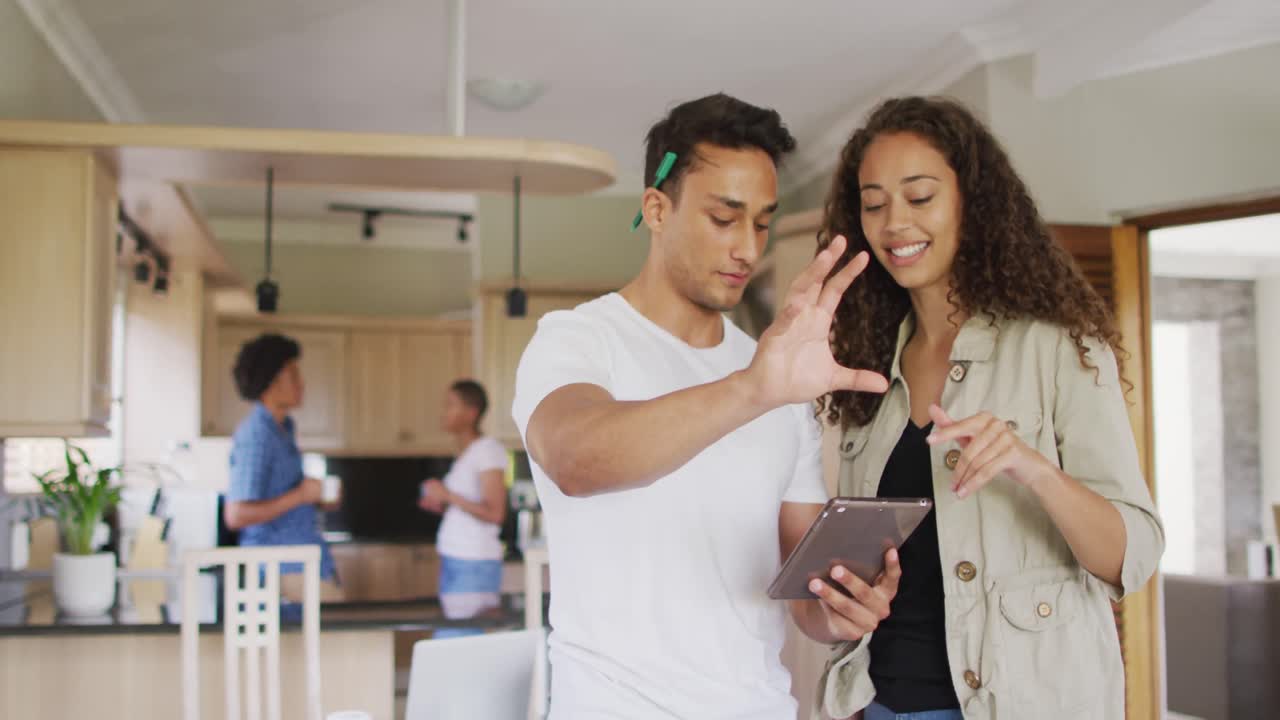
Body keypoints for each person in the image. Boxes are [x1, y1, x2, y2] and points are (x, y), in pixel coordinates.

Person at [512, 93, 894, 719]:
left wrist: (841, 608)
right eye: (725, 218)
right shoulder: (578, 340)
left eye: (763, 222)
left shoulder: (775, 380)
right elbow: (576, 459)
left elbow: (806, 602)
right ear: (657, 209)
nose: (748, 247)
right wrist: (752, 390)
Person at [814, 96, 1165, 720]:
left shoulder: (1057, 347)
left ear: (972, 203)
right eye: (874, 203)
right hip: (878, 705)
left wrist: (1034, 469)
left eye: (919, 198)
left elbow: (1130, 555)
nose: (895, 222)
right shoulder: (864, 370)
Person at [225, 333, 342, 602]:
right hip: (281, 567)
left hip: (303, 560)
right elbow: (236, 514)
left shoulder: (283, 428)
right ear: (271, 381)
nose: (301, 383)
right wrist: (301, 495)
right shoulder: (256, 435)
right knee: (340, 640)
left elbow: (285, 499)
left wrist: (315, 499)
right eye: (293, 375)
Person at [418, 380, 509, 638]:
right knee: (456, 640)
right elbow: (469, 508)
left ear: (471, 413)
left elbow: (495, 513)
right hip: (458, 560)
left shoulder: (487, 451)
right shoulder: (467, 454)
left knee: (457, 640)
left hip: (473, 563)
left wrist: (447, 495)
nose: (443, 412)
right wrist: (444, 505)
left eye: (450, 405)